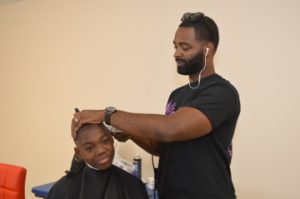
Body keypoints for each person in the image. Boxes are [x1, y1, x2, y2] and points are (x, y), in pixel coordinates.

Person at [72, 11, 240, 199]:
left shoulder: (222, 93)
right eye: (175, 46)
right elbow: (162, 147)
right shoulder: (177, 95)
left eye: (185, 47)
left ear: (207, 49)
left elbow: (171, 128)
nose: (177, 53)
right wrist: (129, 132)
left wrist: (107, 114)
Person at [48, 123, 149, 199]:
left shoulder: (133, 185)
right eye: (89, 148)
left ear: (112, 139)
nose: (101, 151)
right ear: (79, 153)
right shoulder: (62, 191)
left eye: (105, 141)